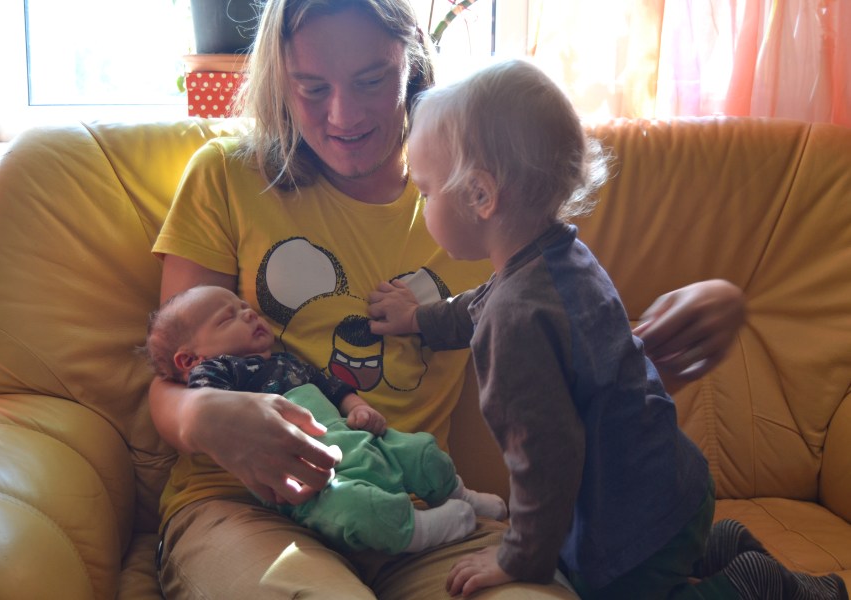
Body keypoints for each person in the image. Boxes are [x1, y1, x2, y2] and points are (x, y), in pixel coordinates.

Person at [148, 0, 746, 597]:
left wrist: (712, 303)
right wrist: (203, 416)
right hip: (247, 505)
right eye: (312, 88)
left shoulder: (472, 194)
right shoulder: (226, 175)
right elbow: (170, 371)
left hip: (421, 505)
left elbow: (584, 367)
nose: (342, 114)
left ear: (409, 63)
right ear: (280, 81)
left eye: (371, 80)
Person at [367, 59, 848, 600]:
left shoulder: (515, 322)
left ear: (480, 195)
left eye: (426, 191)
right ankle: (724, 544)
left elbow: (545, 458)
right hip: (674, 485)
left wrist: (518, 557)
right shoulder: (559, 258)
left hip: (632, 527)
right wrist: (417, 319)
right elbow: (476, 305)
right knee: (680, 549)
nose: (421, 204)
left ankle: (754, 584)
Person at [141, 284, 508, 556]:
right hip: (311, 479)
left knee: (422, 452)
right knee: (356, 510)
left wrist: (357, 406)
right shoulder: (217, 373)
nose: (249, 314)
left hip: (359, 441)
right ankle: (419, 531)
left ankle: (458, 493)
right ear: (190, 360)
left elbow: (332, 386)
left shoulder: (286, 361)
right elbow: (208, 405)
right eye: (228, 318)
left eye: (245, 307)